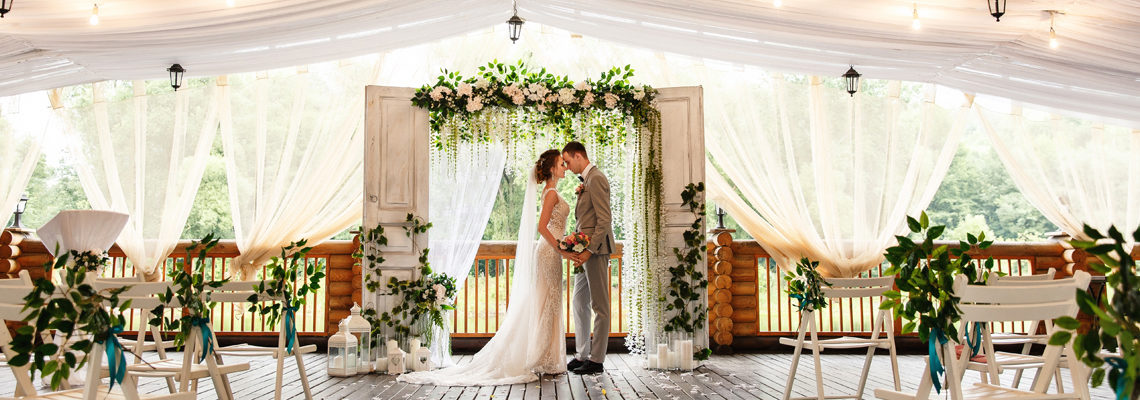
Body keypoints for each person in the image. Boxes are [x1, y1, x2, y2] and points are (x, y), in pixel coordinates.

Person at [397, 149, 574, 386]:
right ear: (552, 168)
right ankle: (542, 357)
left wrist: (563, 244)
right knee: (546, 301)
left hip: (552, 252)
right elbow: (542, 228)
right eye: (562, 163)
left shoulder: (552, 192)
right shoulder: (551, 193)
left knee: (548, 301)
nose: (565, 167)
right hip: (548, 251)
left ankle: (549, 357)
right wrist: (560, 248)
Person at [561, 141, 616, 375]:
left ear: (578, 156)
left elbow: (604, 220)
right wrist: (575, 244)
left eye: (567, 161)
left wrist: (588, 250)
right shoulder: (586, 181)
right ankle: (582, 353)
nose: (566, 165)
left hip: (596, 251)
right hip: (583, 251)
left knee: (600, 306)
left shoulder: (596, 178)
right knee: (578, 301)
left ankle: (596, 360)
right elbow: (585, 219)